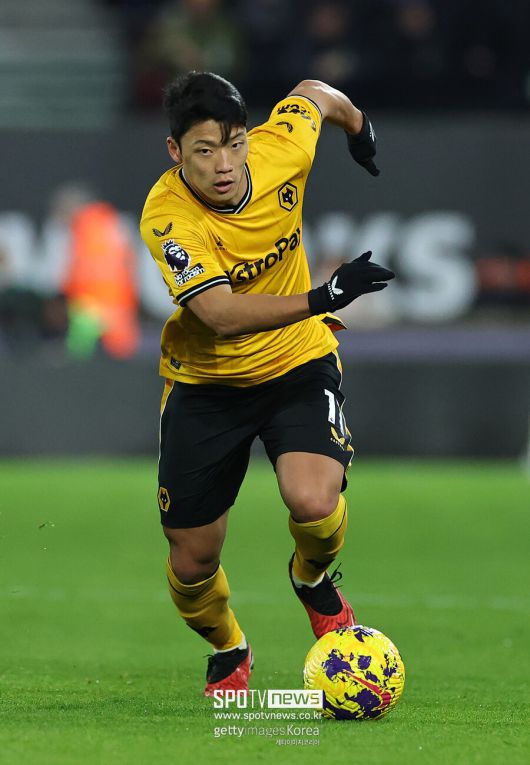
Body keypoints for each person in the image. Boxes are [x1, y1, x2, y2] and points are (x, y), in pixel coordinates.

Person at [140, 71, 394, 697]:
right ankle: (230, 646)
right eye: (204, 150)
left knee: (313, 501)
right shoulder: (168, 217)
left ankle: (311, 578)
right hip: (207, 383)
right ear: (175, 151)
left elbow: (315, 93)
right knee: (192, 560)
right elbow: (220, 315)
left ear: (248, 136)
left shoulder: (281, 149)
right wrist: (324, 296)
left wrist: (359, 126)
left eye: (234, 143)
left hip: (296, 362)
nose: (224, 164)